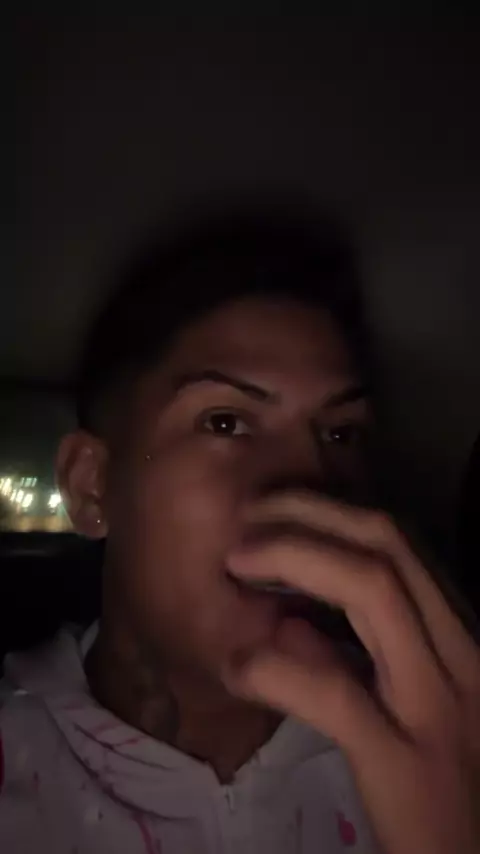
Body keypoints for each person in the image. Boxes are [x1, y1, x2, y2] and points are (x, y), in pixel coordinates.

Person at [0, 210, 479, 854]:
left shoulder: (442, 743)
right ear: (92, 487)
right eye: (224, 422)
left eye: (340, 434)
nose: (308, 484)